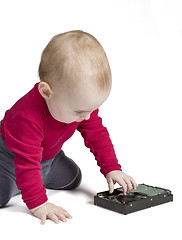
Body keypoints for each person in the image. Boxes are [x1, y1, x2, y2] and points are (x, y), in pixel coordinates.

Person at [0, 30, 138, 224]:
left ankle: (35, 180)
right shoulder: (26, 117)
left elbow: (97, 135)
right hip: (11, 159)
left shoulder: (81, 106)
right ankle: (24, 184)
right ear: (47, 92)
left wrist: (112, 168)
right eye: (80, 111)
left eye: (93, 109)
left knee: (74, 179)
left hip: (48, 159)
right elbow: (27, 162)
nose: (87, 116)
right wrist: (39, 203)